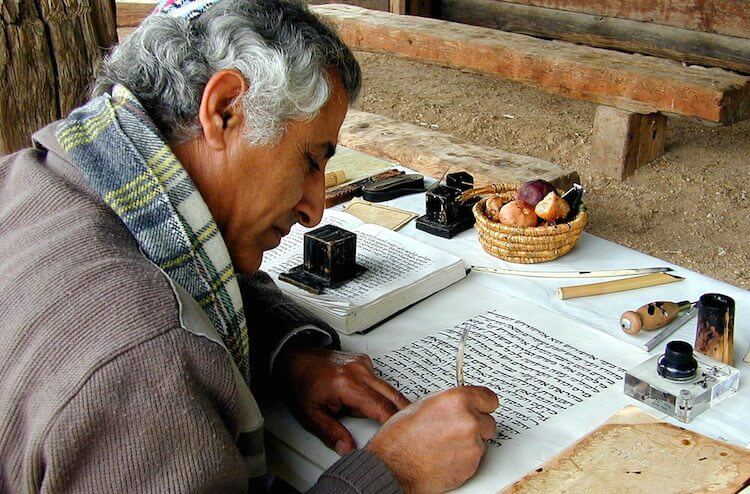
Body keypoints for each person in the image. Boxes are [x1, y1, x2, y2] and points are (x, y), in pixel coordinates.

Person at [0, 0, 498, 491]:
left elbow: (198, 274)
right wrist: (396, 472)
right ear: (224, 110)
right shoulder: (144, 360)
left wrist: (285, 354)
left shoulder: (37, 175)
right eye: (309, 160)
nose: (315, 209)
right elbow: (153, 334)